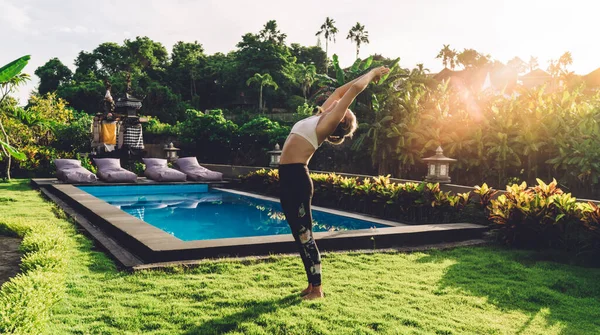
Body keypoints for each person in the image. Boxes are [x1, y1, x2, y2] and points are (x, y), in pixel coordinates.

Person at [278, 66, 390, 300]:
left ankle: (317, 289)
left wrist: (372, 73)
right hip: (288, 178)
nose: (340, 106)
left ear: (340, 120)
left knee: (305, 234)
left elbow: (355, 90)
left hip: (297, 179)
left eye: (344, 111)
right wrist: (366, 74)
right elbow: (341, 91)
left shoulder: (324, 125)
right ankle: (311, 284)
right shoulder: (318, 117)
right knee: (298, 234)